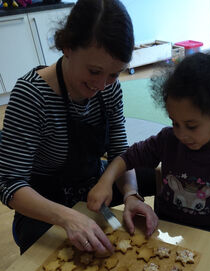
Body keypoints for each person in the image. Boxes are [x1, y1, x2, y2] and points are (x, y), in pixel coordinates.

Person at [0, 0, 158, 255]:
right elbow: (10, 184)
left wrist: (130, 194)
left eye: (114, 74)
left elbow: (120, 152)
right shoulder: (31, 95)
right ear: (67, 47)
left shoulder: (108, 90)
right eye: (94, 71)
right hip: (46, 199)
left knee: (164, 179)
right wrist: (68, 217)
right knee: (53, 255)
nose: (103, 85)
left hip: (94, 185)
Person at [87, 51, 210, 237]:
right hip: (161, 225)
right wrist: (105, 181)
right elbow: (129, 157)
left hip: (206, 233)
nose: (181, 134)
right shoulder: (169, 140)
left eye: (191, 126)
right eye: (174, 122)